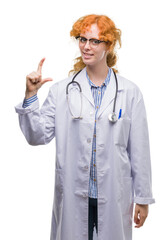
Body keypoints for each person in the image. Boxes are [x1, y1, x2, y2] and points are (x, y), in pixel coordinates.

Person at [15, 14, 155, 240]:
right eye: (82, 39)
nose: (86, 47)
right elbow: (36, 135)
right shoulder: (62, 91)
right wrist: (31, 95)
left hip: (113, 193)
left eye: (94, 41)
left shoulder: (130, 93)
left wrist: (143, 198)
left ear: (108, 45)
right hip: (73, 191)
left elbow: (139, 150)